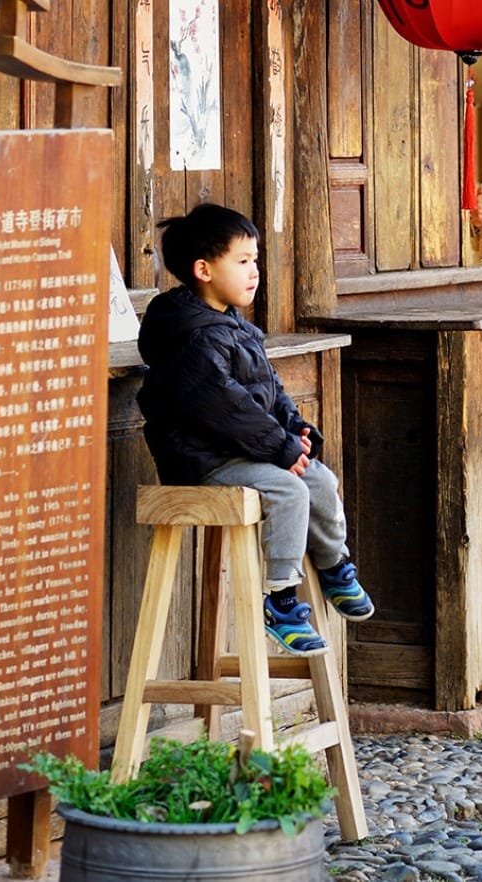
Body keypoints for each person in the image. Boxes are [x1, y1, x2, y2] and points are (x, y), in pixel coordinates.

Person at [137, 202, 375, 656]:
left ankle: (334, 565)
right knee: (289, 490)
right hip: (203, 460)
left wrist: (296, 429)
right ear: (204, 269)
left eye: (256, 260)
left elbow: (269, 390)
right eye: (242, 261)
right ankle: (282, 602)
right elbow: (226, 408)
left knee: (320, 478)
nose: (254, 271)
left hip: (241, 454)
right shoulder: (193, 335)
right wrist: (281, 448)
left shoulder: (232, 325)